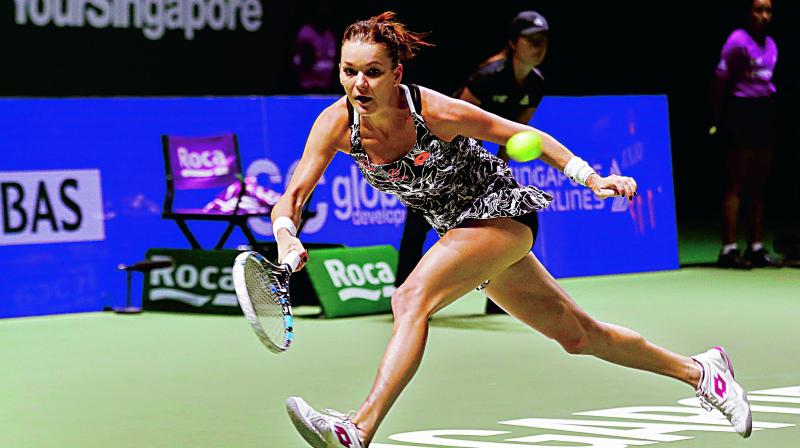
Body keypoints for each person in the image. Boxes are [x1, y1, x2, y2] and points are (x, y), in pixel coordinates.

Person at [272, 12, 753, 447]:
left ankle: (359, 429)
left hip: (499, 214)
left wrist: (590, 177)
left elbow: (523, 137)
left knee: (408, 298)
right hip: (459, 233)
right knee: (580, 336)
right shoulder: (336, 124)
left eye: (372, 72)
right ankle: (701, 372)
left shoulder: (433, 111)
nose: (358, 83)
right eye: (349, 71)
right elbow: (293, 197)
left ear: (396, 74)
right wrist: (286, 235)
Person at [395, 11, 550, 316]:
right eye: (531, 40)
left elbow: (515, 133)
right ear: (513, 43)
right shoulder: (488, 75)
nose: (538, 47)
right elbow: (459, 122)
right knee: (418, 222)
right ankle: (402, 291)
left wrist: (499, 169)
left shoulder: (535, 84)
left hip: (481, 163)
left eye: (543, 41)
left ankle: (501, 301)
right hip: (440, 153)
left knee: (508, 214)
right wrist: (468, 169)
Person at [712, 0, 779, 269]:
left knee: (759, 184)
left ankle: (756, 247)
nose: (764, 16)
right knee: (736, 183)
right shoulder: (737, 41)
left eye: (768, 10)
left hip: (765, 113)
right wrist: (718, 119)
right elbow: (719, 81)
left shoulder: (772, 44)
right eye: (758, 10)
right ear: (748, 12)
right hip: (740, 113)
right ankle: (728, 249)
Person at [291, 0, 338, 93]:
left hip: (327, 87)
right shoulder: (306, 33)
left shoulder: (329, 35)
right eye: (321, 11)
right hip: (309, 87)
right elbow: (306, 64)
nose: (324, 13)